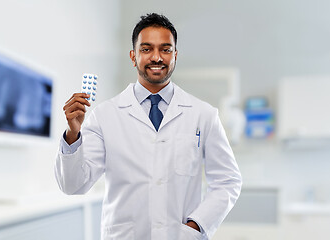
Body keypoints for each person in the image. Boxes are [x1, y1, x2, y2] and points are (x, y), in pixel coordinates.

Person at [55, 13, 242, 240]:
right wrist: (73, 134)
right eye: (146, 49)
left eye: (165, 49)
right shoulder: (105, 116)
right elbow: (73, 185)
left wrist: (195, 226)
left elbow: (228, 181)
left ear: (175, 55)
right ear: (133, 56)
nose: (156, 57)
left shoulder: (204, 115)